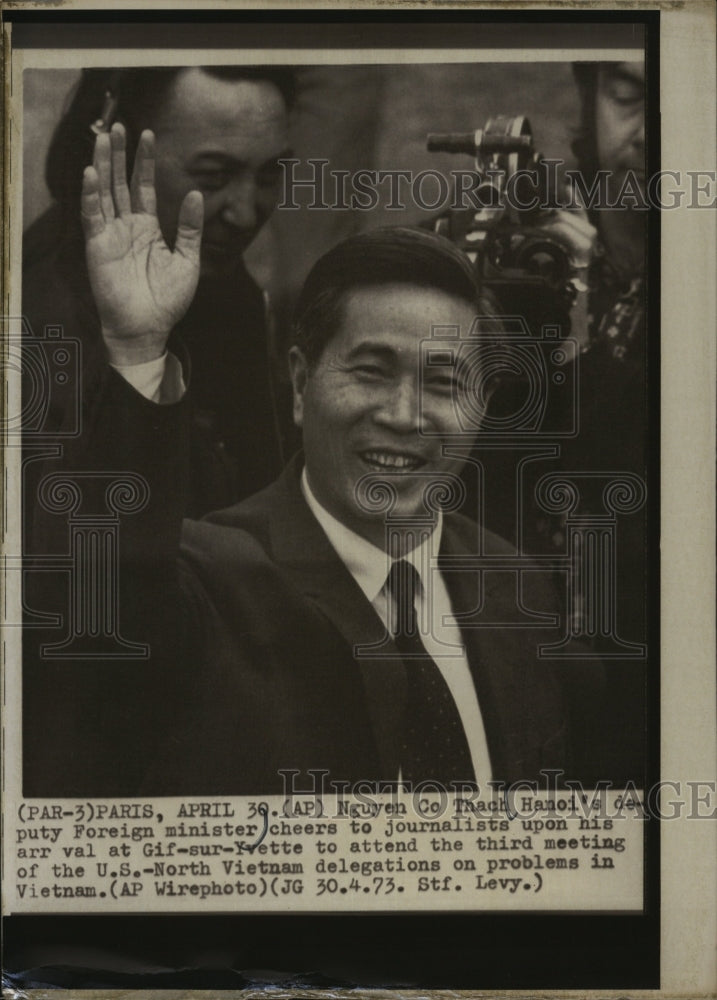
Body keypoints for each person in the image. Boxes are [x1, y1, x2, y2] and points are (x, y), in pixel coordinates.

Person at [24, 128, 610, 796]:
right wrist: (135, 349)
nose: (403, 413)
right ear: (301, 387)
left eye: (446, 383)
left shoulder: (517, 589)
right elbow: (98, 621)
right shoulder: (210, 574)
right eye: (370, 372)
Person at [23, 66, 296, 518]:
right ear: (121, 153)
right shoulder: (46, 328)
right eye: (212, 177)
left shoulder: (214, 276)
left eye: (269, 175)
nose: (247, 214)